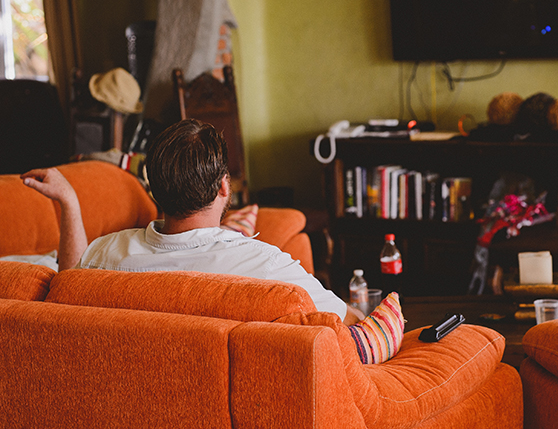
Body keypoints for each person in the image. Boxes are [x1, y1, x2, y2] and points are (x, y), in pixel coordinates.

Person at [21, 118, 364, 324]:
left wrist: (69, 202)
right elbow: (348, 323)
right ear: (223, 187)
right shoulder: (266, 265)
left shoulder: (109, 253)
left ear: (154, 191)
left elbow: (68, 286)